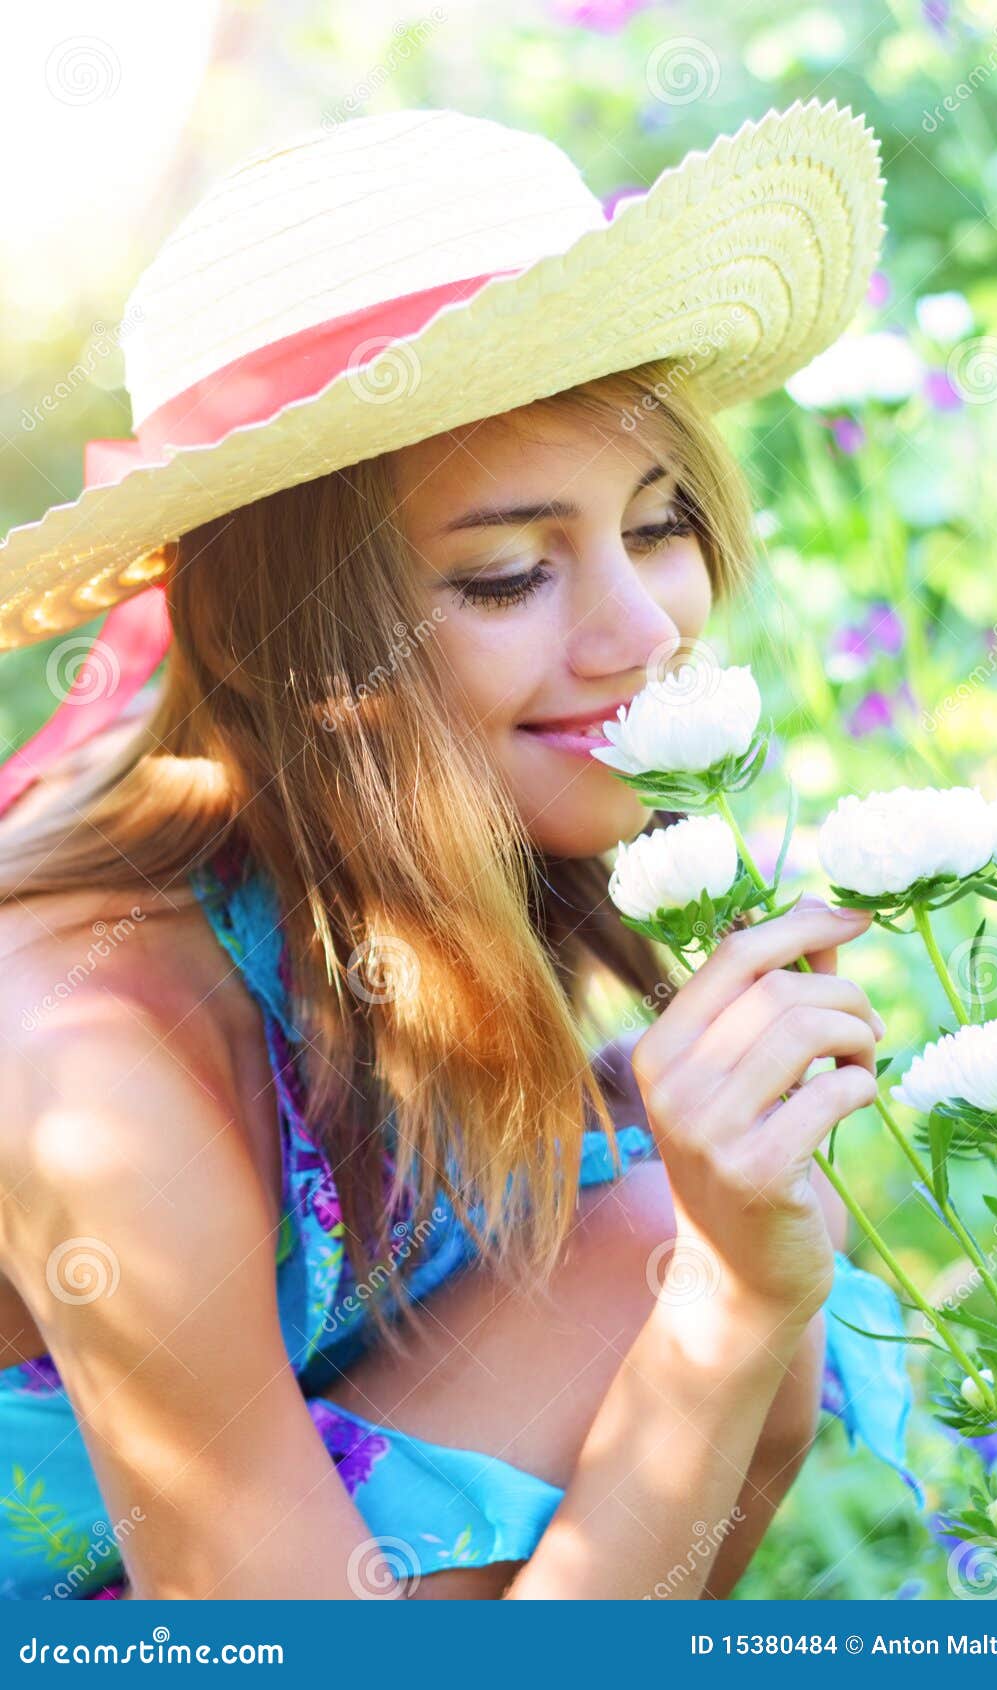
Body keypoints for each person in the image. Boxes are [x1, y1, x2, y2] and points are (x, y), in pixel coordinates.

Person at [0, 104, 911, 1602]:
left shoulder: (413, 868)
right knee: (686, 1270)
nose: (643, 634)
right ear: (289, 646)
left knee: (698, 1231)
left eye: (660, 520)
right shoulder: (94, 1048)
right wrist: (729, 1314)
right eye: (506, 573)